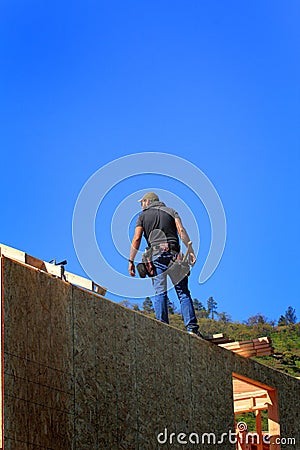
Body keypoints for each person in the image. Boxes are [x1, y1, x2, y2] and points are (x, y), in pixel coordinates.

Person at [128, 192, 202, 337]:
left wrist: (131, 260)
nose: (141, 205)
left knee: (160, 292)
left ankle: (162, 327)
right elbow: (181, 230)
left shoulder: (142, 216)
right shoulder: (171, 211)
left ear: (148, 202)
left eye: (142, 202)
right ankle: (192, 329)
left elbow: (137, 238)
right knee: (183, 292)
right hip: (175, 256)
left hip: (156, 256)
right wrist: (190, 249)